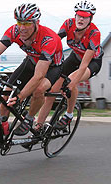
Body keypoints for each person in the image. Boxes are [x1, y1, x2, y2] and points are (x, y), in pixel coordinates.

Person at [0, 3, 64, 156]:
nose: (22, 27)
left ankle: (29, 119)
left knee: (38, 89)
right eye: (19, 22)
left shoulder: (49, 39)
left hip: (51, 67)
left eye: (27, 23)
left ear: (36, 23)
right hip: (31, 61)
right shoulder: (14, 31)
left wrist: (21, 96)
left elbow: (39, 76)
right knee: (4, 96)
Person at [35, 0, 104, 131]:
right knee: (51, 91)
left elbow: (83, 65)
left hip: (91, 62)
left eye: (85, 17)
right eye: (79, 15)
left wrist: (71, 85)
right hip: (75, 57)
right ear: (75, 15)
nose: (81, 19)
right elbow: (54, 40)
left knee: (70, 81)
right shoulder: (68, 24)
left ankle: (69, 115)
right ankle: (38, 128)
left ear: (91, 18)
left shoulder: (95, 33)